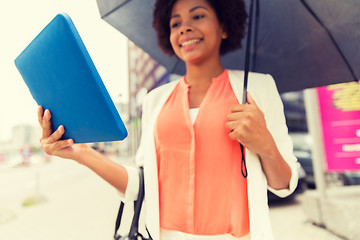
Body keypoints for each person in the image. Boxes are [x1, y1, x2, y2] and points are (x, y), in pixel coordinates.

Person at [37, 0, 298, 239]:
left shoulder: (258, 88)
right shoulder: (155, 100)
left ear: (224, 26)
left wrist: (266, 146)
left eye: (198, 16)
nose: (185, 28)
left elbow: (283, 185)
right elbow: (142, 184)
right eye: (175, 23)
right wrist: (81, 153)